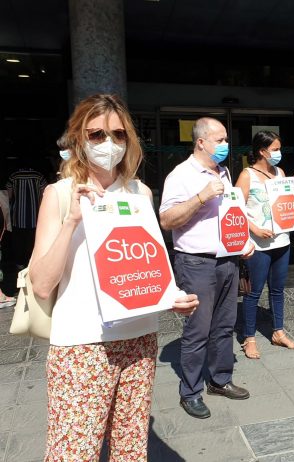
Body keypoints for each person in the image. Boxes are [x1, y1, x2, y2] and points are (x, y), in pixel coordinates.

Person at [29, 94, 199, 460]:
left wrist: (171, 297)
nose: (109, 144)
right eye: (97, 135)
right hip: (82, 346)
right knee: (74, 452)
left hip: (139, 339)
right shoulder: (58, 195)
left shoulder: (140, 194)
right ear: (78, 139)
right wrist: (73, 219)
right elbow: (41, 284)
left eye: (119, 135)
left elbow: (146, 265)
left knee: (131, 451)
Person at [160, 117, 255, 419]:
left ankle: (220, 380)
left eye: (227, 140)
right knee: (198, 329)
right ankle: (190, 392)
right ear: (201, 142)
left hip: (227, 260)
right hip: (196, 262)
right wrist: (201, 197)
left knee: (225, 325)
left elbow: (229, 215)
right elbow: (167, 219)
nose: (226, 145)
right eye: (220, 140)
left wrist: (243, 242)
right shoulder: (181, 175)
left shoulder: (223, 172)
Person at [235, 131, 294, 359]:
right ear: (262, 151)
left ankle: (278, 332)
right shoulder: (247, 175)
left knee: (277, 290)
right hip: (258, 244)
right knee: (253, 292)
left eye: (279, 148)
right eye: (275, 149)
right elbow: (234, 209)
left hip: (281, 240)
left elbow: (285, 204)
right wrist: (254, 229)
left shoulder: (280, 173)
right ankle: (249, 338)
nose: (278, 153)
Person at [5, 162, 47, 267]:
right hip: (35, 216)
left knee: (18, 241)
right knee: (32, 240)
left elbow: (8, 196)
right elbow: (45, 194)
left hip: (17, 216)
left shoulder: (14, 176)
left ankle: (19, 263)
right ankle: (31, 263)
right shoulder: (39, 176)